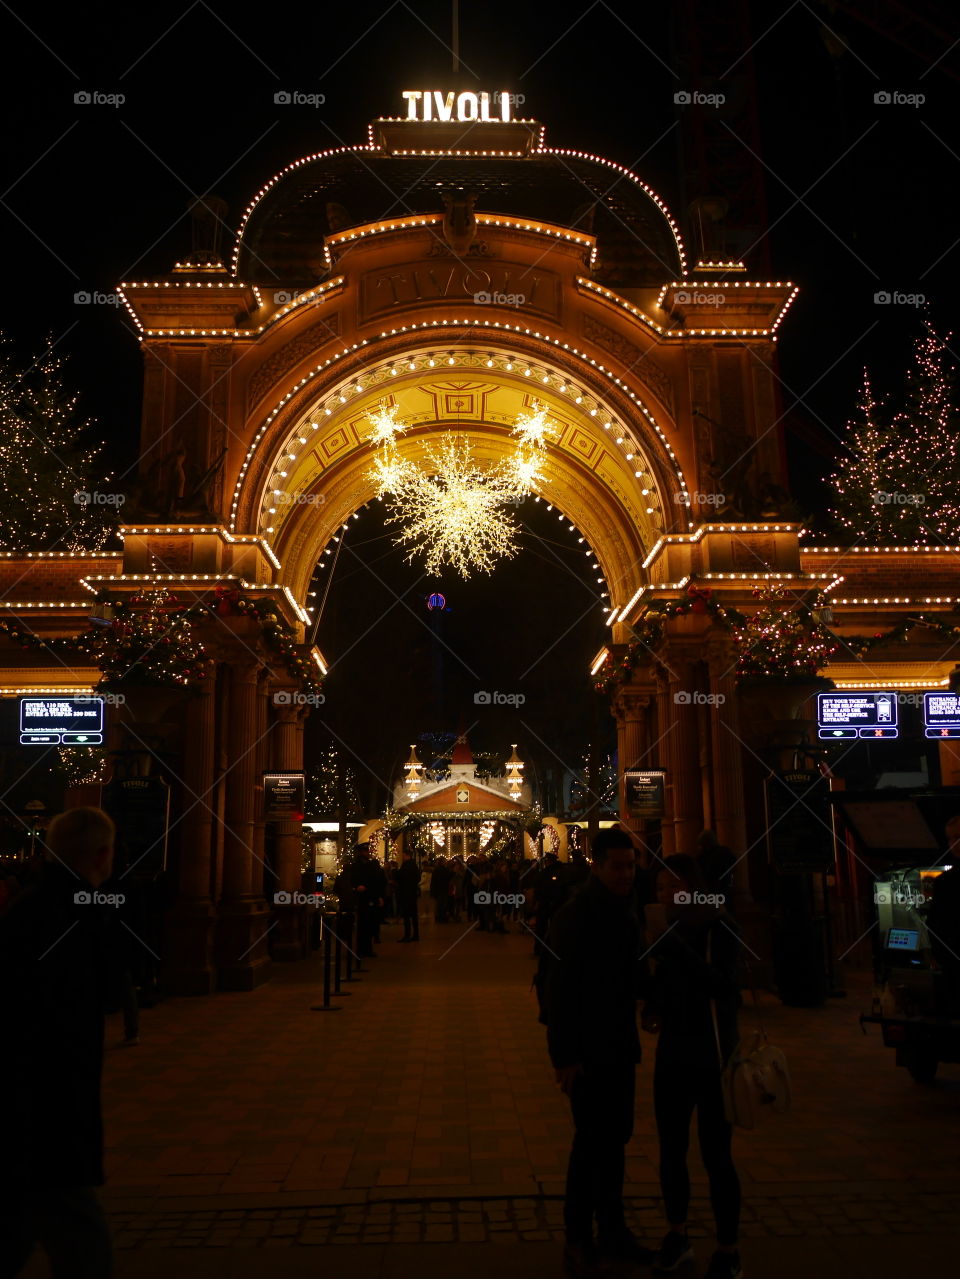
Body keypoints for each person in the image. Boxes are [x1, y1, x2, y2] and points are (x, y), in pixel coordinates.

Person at [0, 807, 119, 1279]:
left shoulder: (30, 905)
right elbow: (94, 995)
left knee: (18, 1220)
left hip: (25, 1098)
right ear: (102, 854)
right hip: (48, 1098)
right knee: (78, 1230)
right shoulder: (77, 911)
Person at [543, 828, 655, 1277]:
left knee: (616, 1140)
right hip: (588, 1050)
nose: (626, 874)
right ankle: (577, 1236)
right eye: (618, 866)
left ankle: (612, 1229)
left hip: (619, 1045)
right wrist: (564, 1056)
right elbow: (559, 991)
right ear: (598, 866)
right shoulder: (576, 915)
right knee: (590, 1143)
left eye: (631, 866)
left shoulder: (625, 911)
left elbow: (632, 974)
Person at [642, 854, 742, 1279]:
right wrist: (651, 1003)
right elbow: (666, 988)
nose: (665, 895)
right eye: (660, 888)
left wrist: (675, 949)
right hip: (673, 1050)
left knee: (717, 1155)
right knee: (671, 1149)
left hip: (713, 1054)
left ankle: (728, 1249)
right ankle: (677, 1233)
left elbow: (724, 986)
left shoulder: (718, 928)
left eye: (672, 887)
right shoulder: (666, 931)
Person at [348, 842, 385, 958]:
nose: (367, 853)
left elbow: (376, 881)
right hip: (361, 899)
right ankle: (361, 949)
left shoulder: (371, 866)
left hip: (370, 898)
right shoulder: (356, 866)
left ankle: (367, 948)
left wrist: (377, 896)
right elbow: (352, 880)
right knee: (362, 926)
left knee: (369, 925)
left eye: (367, 851)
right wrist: (356, 887)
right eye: (365, 851)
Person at [396, 848, 421, 942]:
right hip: (413, 894)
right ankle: (416, 935)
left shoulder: (405, 865)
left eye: (403, 855)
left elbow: (399, 877)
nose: (402, 857)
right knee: (414, 915)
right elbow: (418, 878)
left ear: (406, 855)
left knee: (406, 916)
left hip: (405, 893)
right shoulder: (414, 865)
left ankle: (407, 935)